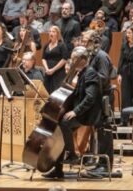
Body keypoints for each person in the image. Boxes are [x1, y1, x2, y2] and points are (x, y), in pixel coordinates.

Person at [44, 47, 103, 180]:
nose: (72, 61)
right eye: (72, 58)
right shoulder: (81, 73)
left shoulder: (90, 73)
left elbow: (90, 98)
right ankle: (58, 170)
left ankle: (72, 154)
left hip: (88, 114)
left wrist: (75, 111)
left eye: (75, 59)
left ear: (83, 59)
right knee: (60, 130)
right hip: (81, 111)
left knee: (64, 123)